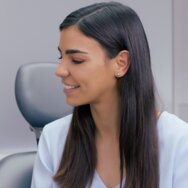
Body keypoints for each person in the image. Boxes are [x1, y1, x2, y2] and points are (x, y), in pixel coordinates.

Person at [31, 2, 188, 188]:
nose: (60, 70)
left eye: (76, 60)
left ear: (121, 63)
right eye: (61, 57)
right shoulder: (54, 138)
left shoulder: (179, 141)